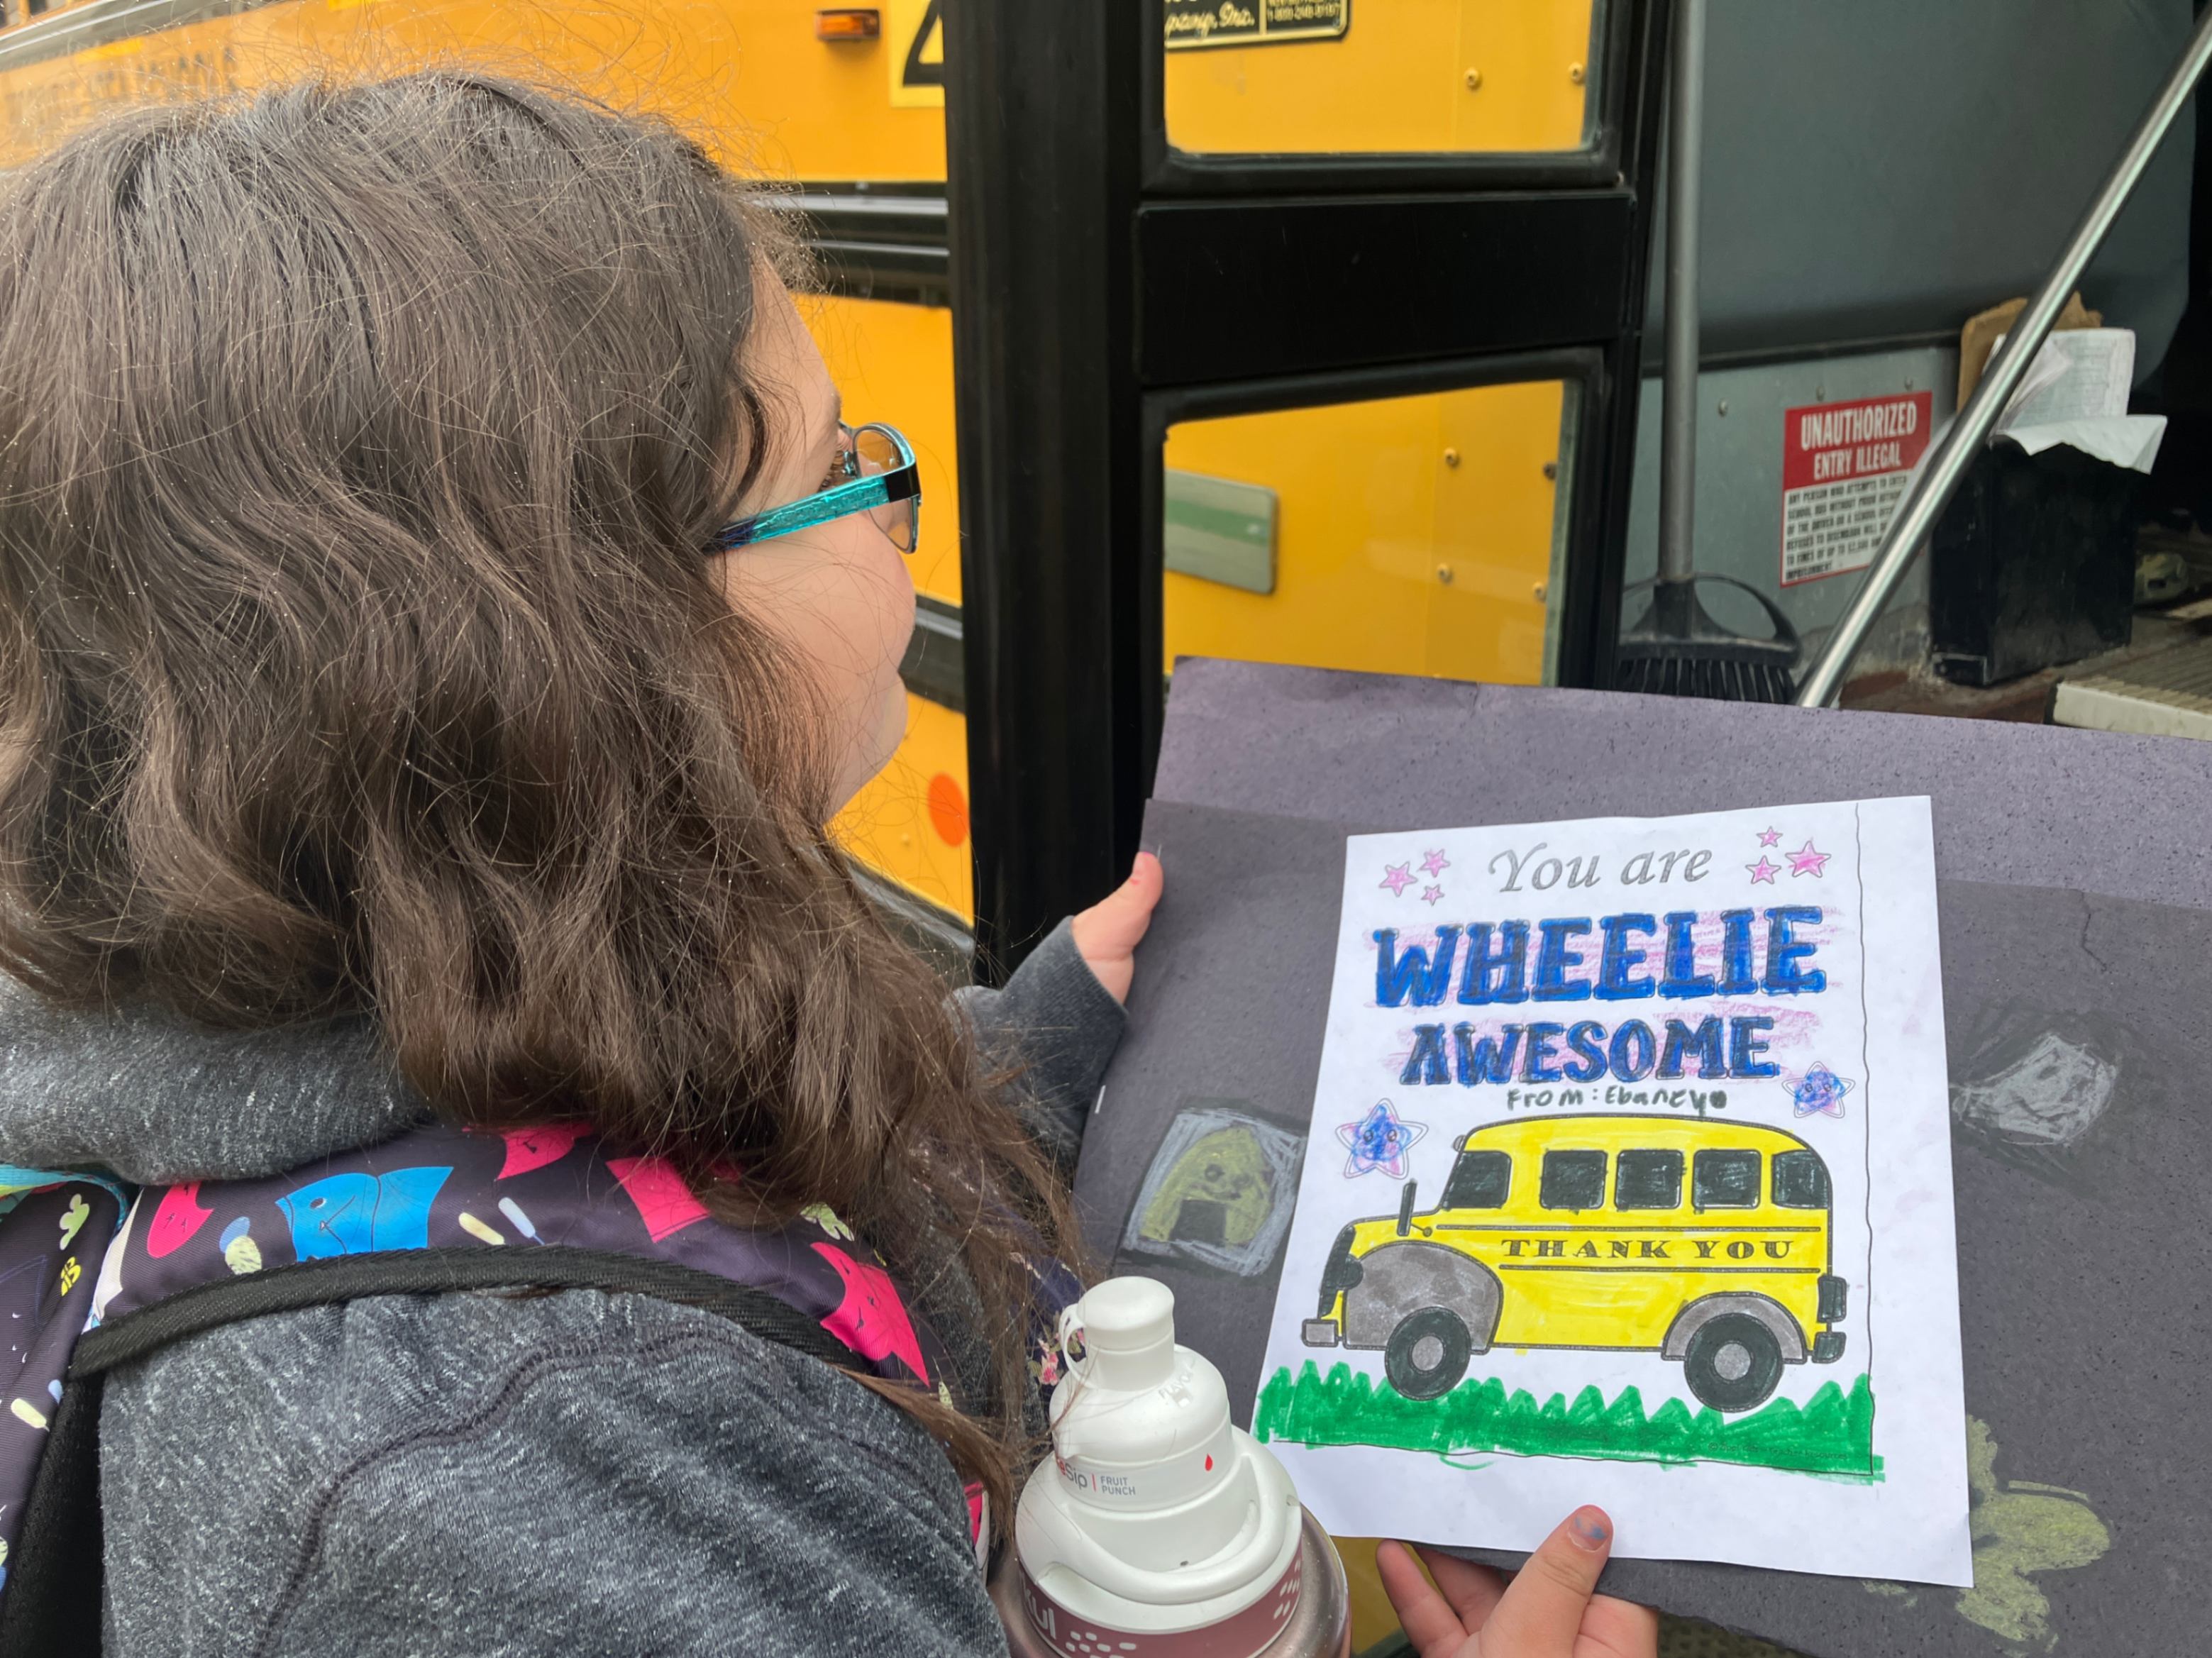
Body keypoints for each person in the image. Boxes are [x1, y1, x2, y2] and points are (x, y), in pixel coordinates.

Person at [0, 73, 1652, 1657]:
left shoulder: (407, 990)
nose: (889, 505)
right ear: (575, 650)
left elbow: (678, 1172)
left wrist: (1032, 1043)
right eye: (830, 465)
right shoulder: (540, 1487)